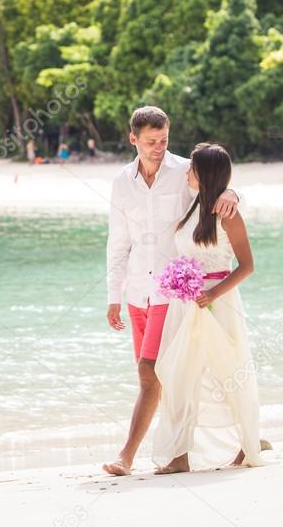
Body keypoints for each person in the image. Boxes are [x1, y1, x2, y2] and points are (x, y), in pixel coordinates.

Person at [102, 106, 239, 476]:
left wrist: (232, 192)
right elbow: (117, 243)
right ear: (133, 139)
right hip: (136, 294)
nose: (159, 147)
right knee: (163, 374)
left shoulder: (183, 171)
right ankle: (240, 438)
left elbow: (214, 186)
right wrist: (114, 295)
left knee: (152, 373)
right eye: (150, 142)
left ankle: (126, 456)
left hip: (172, 293)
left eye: (163, 140)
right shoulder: (120, 182)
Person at [151, 142, 264, 473]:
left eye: (192, 168)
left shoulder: (227, 214)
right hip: (187, 304)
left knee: (228, 373)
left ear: (204, 173)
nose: (187, 172)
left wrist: (213, 295)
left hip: (218, 301)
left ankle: (247, 444)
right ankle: (180, 454)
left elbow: (247, 266)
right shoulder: (193, 205)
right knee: (179, 375)